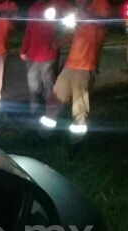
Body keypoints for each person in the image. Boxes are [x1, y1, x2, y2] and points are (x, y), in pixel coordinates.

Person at [40, 0, 111, 136]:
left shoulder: (101, 4)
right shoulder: (80, 12)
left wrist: (81, 13)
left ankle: (76, 138)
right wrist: (62, 41)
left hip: (85, 66)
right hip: (70, 64)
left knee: (79, 106)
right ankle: (45, 134)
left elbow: (101, 22)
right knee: (54, 98)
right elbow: (76, 33)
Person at [20, 0, 69, 114]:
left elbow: (71, 25)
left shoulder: (61, 4)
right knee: (33, 88)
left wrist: (62, 40)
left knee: (49, 88)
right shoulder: (34, 7)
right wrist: (23, 50)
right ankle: (34, 112)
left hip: (49, 56)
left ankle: (50, 113)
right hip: (31, 56)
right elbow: (29, 30)